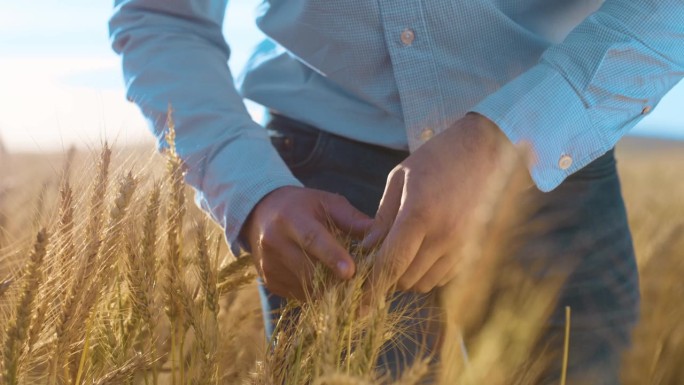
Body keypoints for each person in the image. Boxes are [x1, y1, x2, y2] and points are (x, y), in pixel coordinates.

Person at [109, 1, 684, 383]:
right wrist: (252, 191)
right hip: (322, 195)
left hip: (552, 164)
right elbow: (161, 14)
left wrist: (508, 140)